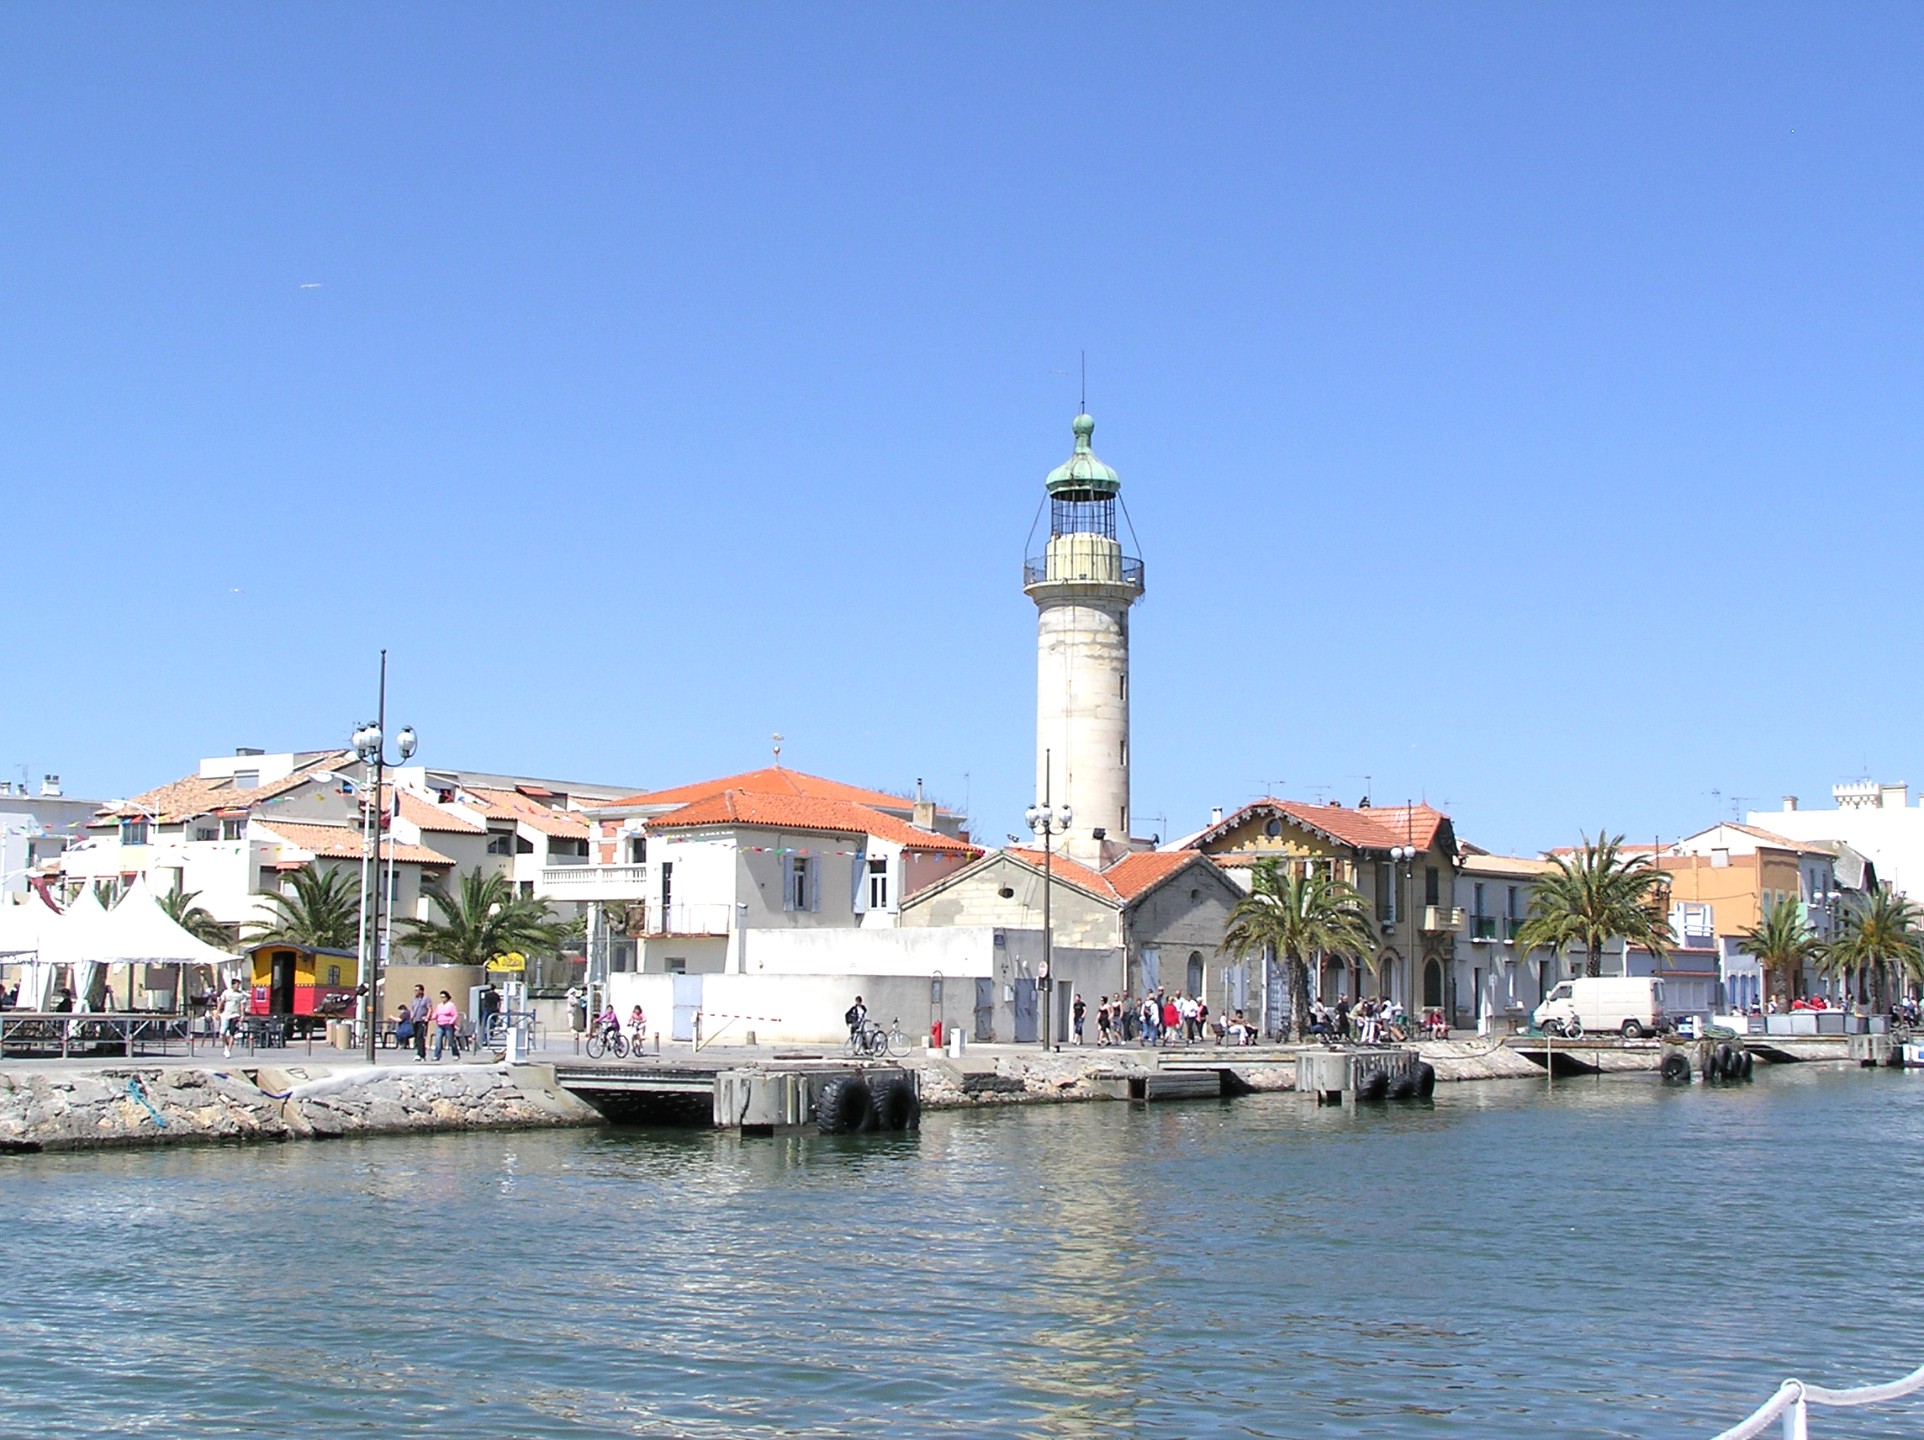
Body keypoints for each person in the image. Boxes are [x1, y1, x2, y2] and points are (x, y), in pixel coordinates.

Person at [218, 978, 248, 1058]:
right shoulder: (226, 992)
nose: (238, 986)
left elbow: (242, 1005)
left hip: (235, 1015)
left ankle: (229, 1050)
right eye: (236, 985)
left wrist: (242, 1015)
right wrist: (218, 1011)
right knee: (222, 1032)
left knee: (232, 1033)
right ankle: (226, 1045)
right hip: (226, 1014)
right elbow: (221, 1001)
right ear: (232, 985)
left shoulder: (241, 995)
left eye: (239, 985)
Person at [431, 990, 462, 1060]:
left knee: (451, 1040)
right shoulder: (439, 1006)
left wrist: (451, 1022)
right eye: (441, 997)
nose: (443, 999)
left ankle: (455, 1054)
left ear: (447, 997)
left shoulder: (451, 1005)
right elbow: (435, 1015)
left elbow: (455, 1015)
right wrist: (429, 1018)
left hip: (448, 1025)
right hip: (440, 1025)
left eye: (444, 997)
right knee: (438, 1040)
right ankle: (437, 1055)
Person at [406, 984, 431, 1061]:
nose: (415, 991)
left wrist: (427, 1017)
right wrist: (411, 1017)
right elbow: (412, 1009)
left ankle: (420, 1054)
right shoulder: (414, 1000)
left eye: (417, 990)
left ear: (421, 991)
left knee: (420, 1036)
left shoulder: (426, 999)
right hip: (415, 1020)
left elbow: (429, 1009)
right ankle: (420, 1053)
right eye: (415, 990)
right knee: (417, 1037)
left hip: (422, 1020)